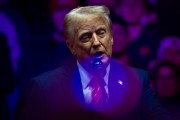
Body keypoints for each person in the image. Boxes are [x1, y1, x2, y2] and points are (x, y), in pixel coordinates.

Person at [16, 6, 171, 120]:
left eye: (101, 34)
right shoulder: (45, 86)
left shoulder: (137, 79)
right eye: (86, 36)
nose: (96, 43)